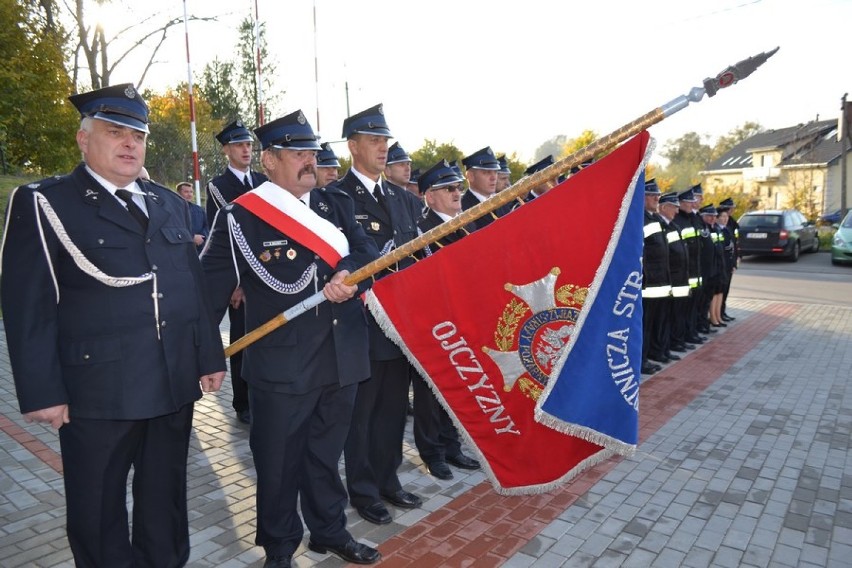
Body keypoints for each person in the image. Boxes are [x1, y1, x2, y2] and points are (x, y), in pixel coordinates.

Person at [0, 83, 226, 568]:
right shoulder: (46, 203)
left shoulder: (167, 204)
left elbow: (191, 287)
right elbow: (27, 305)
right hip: (96, 391)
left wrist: (208, 357)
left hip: (171, 382)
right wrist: (42, 391)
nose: (130, 144)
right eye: (115, 131)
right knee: (98, 506)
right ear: (84, 140)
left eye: (137, 135)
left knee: (164, 499)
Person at [200, 109, 381, 567]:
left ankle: (329, 531)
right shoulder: (242, 217)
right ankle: (279, 549)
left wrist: (350, 274)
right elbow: (208, 290)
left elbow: (365, 250)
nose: (309, 160)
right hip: (282, 367)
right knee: (278, 464)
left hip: (342, 358)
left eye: (312, 152)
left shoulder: (333, 203)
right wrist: (203, 355)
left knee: (325, 456)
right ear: (269, 160)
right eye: (298, 153)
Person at [329, 103, 425, 526]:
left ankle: (389, 480)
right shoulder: (335, 197)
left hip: (399, 324)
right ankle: (364, 490)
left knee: (390, 411)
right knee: (362, 415)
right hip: (362, 324)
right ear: (352, 146)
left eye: (385, 140)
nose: (383, 148)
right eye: (373, 140)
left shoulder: (403, 200)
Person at [412, 160, 481, 479]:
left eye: (458, 187)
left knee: (456, 388)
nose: (457, 193)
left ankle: (452, 445)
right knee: (429, 393)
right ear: (429, 196)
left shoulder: (463, 223)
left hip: (461, 319)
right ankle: (432, 452)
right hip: (433, 324)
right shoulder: (422, 230)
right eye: (449, 189)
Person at [206, 119, 267, 425]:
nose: (247, 150)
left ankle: (263, 395)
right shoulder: (218, 187)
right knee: (242, 339)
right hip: (241, 279)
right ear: (227, 150)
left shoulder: (264, 181)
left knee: (266, 338)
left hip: (269, 275)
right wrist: (235, 284)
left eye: (249, 145)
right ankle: (242, 401)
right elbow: (223, 243)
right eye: (240, 145)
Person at [657, 191, 694, 355]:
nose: (677, 211)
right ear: (664, 207)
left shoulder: (672, 225)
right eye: (674, 207)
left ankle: (668, 347)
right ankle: (663, 348)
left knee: (674, 315)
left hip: (678, 280)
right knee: (664, 319)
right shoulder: (661, 225)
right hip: (668, 280)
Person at [640, 179, 670, 374]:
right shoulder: (640, 219)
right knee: (644, 326)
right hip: (648, 283)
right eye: (652, 195)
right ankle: (641, 361)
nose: (656, 198)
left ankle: (649, 355)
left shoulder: (655, 218)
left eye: (658, 195)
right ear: (642, 198)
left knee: (652, 324)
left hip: (659, 281)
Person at [460, 146, 510, 230]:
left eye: (495, 172)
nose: (494, 178)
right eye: (487, 172)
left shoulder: (502, 203)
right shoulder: (461, 209)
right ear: (470, 176)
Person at [176, 181, 209, 252]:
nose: (190, 194)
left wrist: (202, 237)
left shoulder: (199, 210)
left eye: (191, 192)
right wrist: (192, 237)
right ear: (178, 193)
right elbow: (173, 228)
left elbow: (207, 225)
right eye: (186, 192)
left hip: (199, 249)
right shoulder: (173, 210)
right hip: (180, 249)